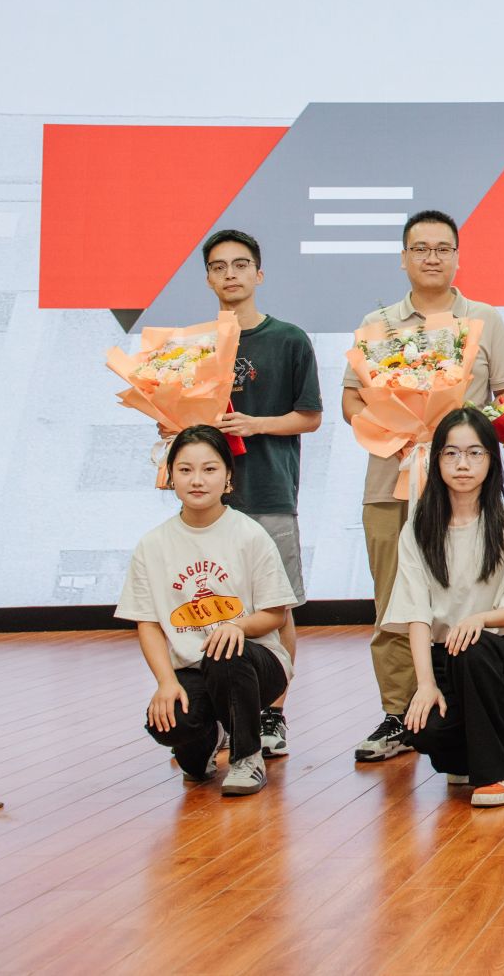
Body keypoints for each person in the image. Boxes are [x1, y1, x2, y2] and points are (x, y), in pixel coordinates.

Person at [343, 209, 504, 765]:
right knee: (393, 605)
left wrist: (461, 436)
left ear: (457, 257)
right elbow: (352, 398)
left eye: (442, 248)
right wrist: (397, 428)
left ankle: (463, 704)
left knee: (469, 597)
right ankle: (400, 713)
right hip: (392, 484)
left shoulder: (484, 319)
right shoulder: (377, 324)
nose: (431, 257)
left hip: (467, 488)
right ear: (403, 258)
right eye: (420, 248)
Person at [192, 229, 321, 760]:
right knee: (205, 604)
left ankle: (273, 714)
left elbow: (309, 417)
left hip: (268, 490)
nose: (230, 274)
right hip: (207, 503)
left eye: (240, 264)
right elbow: (184, 415)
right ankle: (215, 714)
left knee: (277, 607)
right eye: (219, 266)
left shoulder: (289, 339)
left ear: (258, 274)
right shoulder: (196, 345)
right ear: (208, 278)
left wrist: (256, 424)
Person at [115, 426, 295, 798]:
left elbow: (275, 614)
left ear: (228, 477)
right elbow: (148, 624)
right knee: (171, 726)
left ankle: (247, 757)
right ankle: (209, 739)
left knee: (224, 652)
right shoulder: (153, 544)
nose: (197, 480)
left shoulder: (249, 534)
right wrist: (166, 682)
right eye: (185, 470)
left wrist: (238, 627)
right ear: (170, 476)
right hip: (192, 667)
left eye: (209, 469)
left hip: (254, 664)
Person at [382, 408, 504, 807]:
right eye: (451, 453)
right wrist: (425, 685)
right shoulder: (419, 528)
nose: (462, 464)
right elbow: (416, 614)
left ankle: (498, 773)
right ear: (436, 459)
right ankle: (464, 757)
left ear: (491, 460)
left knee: (473, 649)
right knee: (422, 729)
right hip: (446, 657)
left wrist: (480, 619)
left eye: (475, 453)